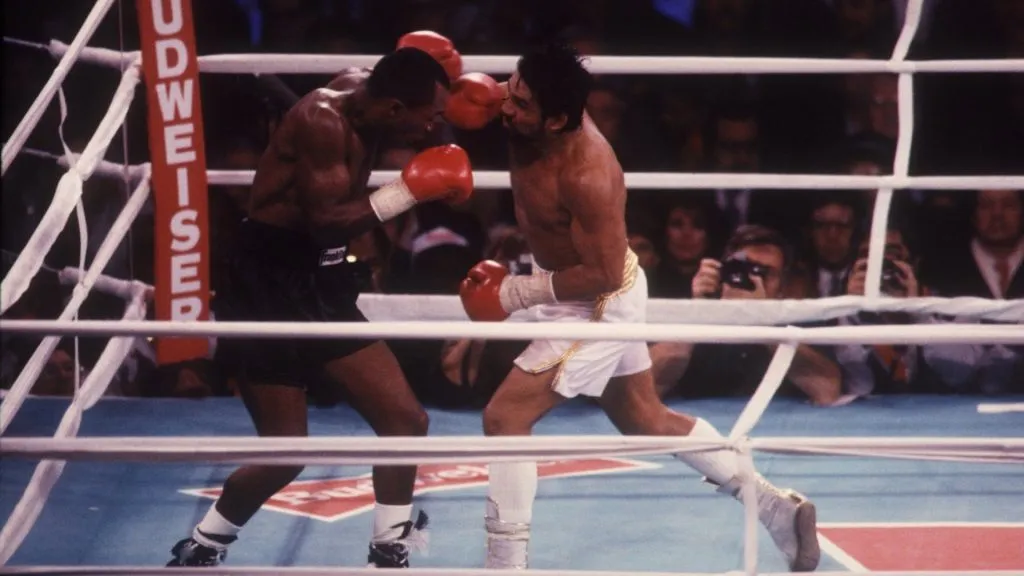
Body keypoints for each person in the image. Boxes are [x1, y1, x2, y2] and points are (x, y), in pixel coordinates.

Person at [457, 43, 821, 571]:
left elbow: (601, 274)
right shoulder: (522, 110)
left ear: (558, 119)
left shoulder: (587, 173)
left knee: (504, 417)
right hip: (572, 282)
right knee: (645, 418)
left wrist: (516, 293)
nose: (505, 107)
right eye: (509, 91)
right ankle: (776, 509)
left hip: (596, 300)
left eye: (520, 103)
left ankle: (504, 566)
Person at [166, 46, 475, 568]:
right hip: (266, 285)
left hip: (320, 278)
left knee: (405, 421)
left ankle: (390, 546)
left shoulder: (372, 98)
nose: (434, 129)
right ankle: (204, 544)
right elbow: (327, 221)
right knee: (285, 452)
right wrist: (409, 190)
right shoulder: (321, 121)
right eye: (430, 116)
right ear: (396, 108)